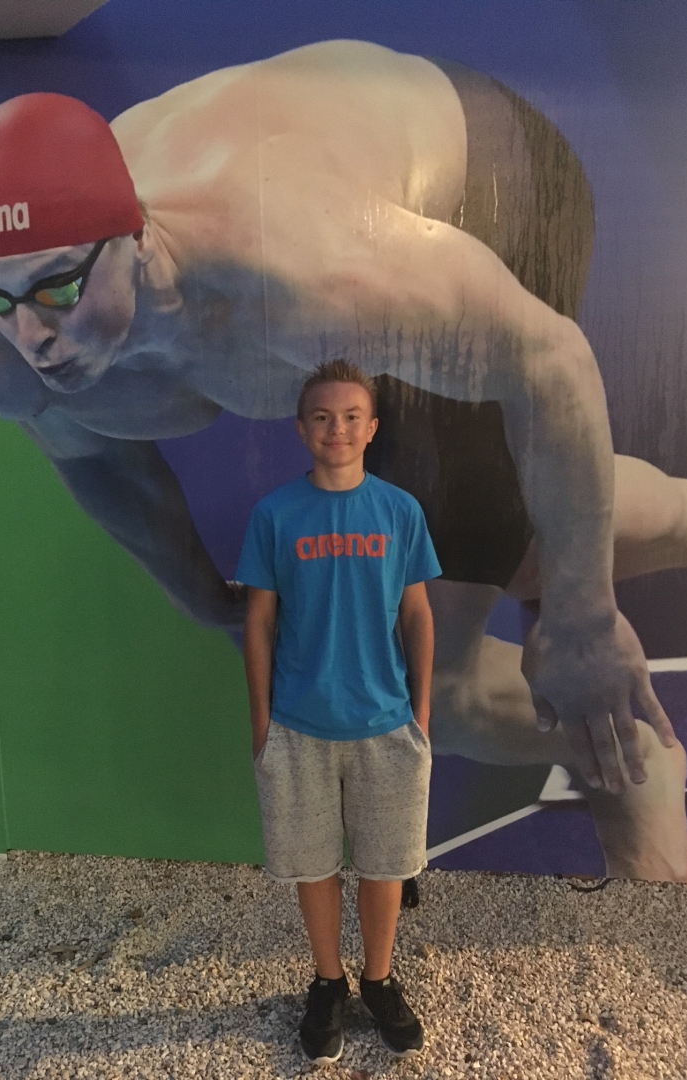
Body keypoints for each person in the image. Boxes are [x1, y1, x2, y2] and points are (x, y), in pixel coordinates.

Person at [0, 40, 687, 879]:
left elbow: (549, 362)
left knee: (427, 681)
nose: (33, 335)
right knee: (506, 542)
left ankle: (629, 751)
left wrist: (584, 621)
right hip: (350, 225)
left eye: (57, 290)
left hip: (486, 181)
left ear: (138, 240)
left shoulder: (301, 270)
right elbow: (102, 463)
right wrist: (198, 591)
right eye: (0, 298)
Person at [238, 359, 440, 1063]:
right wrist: (261, 723)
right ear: (301, 429)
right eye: (322, 417)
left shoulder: (400, 511)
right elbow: (258, 622)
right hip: (299, 726)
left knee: (385, 866)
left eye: (352, 416)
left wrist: (420, 716)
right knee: (314, 866)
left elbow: (418, 615)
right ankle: (328, 983)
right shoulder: (275, 515)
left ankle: (378, 980)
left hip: (387, 726)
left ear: (372, 428)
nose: (337, 429)